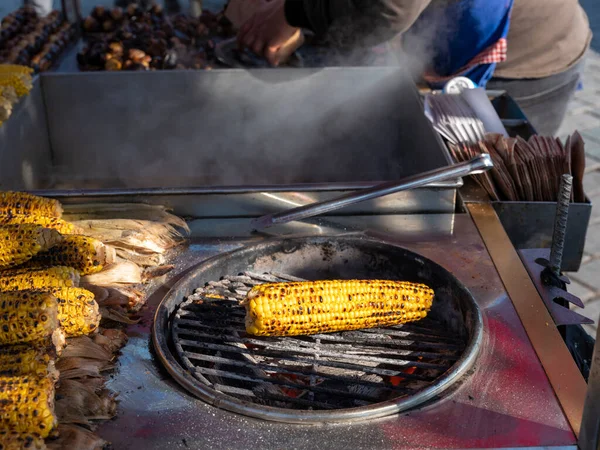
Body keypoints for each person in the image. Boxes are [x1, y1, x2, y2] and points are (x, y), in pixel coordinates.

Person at [236, 0, 592, 137]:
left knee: (490, 210)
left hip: (524, 55)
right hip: (436, 30)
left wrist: (292, 13)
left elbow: (391, 8)